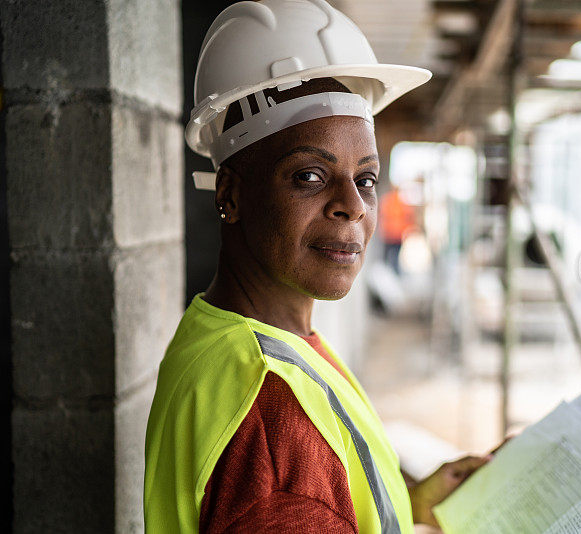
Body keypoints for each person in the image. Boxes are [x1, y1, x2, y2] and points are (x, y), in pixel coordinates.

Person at [144, 1, 491, 532]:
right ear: (231, 196)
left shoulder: (237, 338)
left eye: (367, 178)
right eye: (309, 175)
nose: (352, 204)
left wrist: (412, 505)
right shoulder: (273, 416)